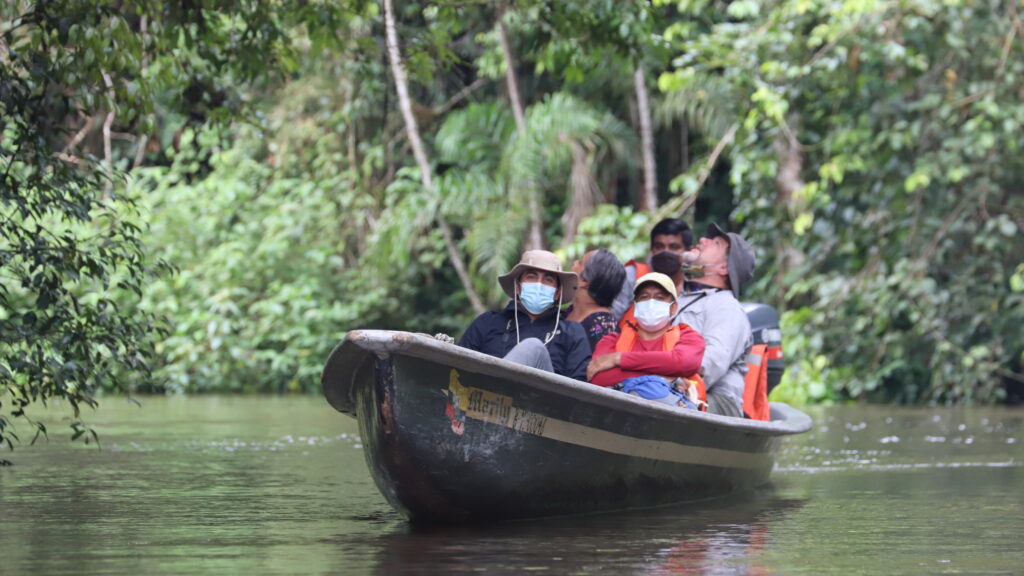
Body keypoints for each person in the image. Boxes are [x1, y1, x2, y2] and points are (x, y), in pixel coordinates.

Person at [459, 250, 591, 381]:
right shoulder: (487, 323)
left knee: (533, 348)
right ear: (518, 287)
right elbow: (458, 367)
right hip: (481, 397)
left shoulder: (571, 333)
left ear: (557, 293)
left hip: (541, 400)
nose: (539, 285)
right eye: (531, 277)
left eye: (548, 279)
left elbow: (578, 389)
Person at [674, 223, 756, 417]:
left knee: (655, 394)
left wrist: (663, 378)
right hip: (672, 383)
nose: (702, 240)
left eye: (715, 243)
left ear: (723, 268)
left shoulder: (727, 307)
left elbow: (709, 364)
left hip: (716, 400)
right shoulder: (680, 296)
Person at [587, 273, 705, 399]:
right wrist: (665, 378)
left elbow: (682, 362)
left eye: (660, 297)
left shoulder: (688, 337)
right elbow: (600, 378)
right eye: (644, 297)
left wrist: (618, 359)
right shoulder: (611, 341)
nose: (651, 303)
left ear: (673, 307)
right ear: (634, 306)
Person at [611, 218, 694, 320]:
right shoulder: (631, 277)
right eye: (659, 246)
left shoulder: (696, 284)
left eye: (674, 247)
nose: (665, 252)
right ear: (651, 248)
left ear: (688, 251)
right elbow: (611, 319)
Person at [564, 249, 627, 351]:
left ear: (584, 280)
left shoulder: (604, 330)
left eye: (579, 263)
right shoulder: (565, 313)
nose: (574, 262)